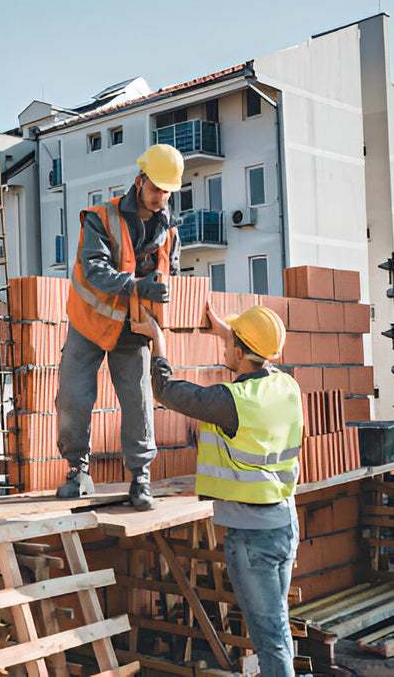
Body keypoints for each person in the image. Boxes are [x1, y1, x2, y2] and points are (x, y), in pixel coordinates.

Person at [132, 303, 303, 676]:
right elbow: (252, 355)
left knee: (269, 638)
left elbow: (168, 391)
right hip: (285, 527)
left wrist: (158, 340)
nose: (225, 348)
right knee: (278, 628)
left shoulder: (231, 402)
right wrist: (226, 331)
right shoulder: (287, 386)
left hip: (251, 539)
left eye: (231, 344)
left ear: (241, 353)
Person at [55, 143, 184, 511]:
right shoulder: (101, 217)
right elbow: (94, 268)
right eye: (155, 188)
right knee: (73, 396)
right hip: (90, 321)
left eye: (166, 191)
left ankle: (140, 478)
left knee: (138, 401)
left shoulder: (171, 232)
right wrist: (137, 286)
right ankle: (77, 470)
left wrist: (158, 303)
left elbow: (169, 273)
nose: (160, 197)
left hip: (133, 328)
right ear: (140, 180)